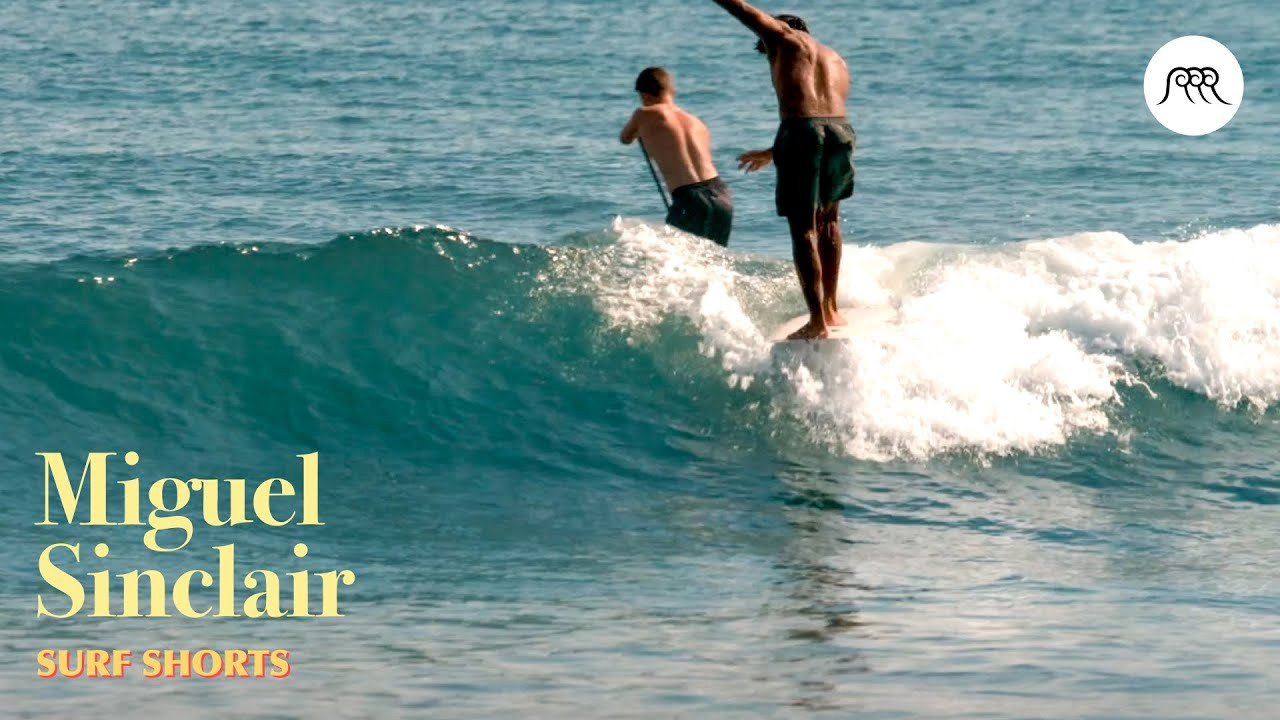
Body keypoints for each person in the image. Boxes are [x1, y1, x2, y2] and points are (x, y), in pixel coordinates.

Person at [710, 2, 855, 339]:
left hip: (800, 131)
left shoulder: (785, 38)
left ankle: (816, 321)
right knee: (829, 220)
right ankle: (832, 310)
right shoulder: (836, 60)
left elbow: (744, 10)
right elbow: (822, 119)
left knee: (802, 228)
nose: (770, 61)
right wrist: (776, 152)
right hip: (841, 130)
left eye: (767, 51)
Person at [620, 67, 734, 246]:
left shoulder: (644, 113)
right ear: (670, 91)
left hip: (689, 199)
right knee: (715, 261)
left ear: (644, 95)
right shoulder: (696, 121)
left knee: (673, 259)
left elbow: (625, 138)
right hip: (721, 195)